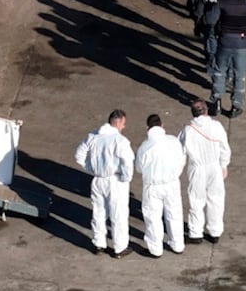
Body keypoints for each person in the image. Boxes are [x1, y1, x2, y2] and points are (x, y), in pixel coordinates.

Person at [74, 109, 134, 257]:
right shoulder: (119, 141)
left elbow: (78, 155)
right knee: (118, 214)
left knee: (98, 213)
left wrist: (90, 168)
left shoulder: (93, 136)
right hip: (115, 180)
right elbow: (127, 162)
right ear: (118, 122)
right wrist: (125, 178)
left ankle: (99, 244)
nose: (124, 127)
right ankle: (120, 248)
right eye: (124, 123)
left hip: (97, 180)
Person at [178, 99, 231, 244]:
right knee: (216, 199)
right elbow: (224, 148)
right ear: (206, 110)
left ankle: (195, 232)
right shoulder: (216, 126)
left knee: (196, 200)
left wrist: (177, 172)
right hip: (215, 167)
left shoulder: (187, 130)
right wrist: (224, 165)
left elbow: (180, 154)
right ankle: (215, 231)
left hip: (197, 168)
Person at [136, 114, 186, 256]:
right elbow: (182, 159)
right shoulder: (173, 141)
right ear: (162, 125)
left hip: (152, 186)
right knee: (174, 213)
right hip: (171, 183)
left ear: (147, 128)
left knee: (153, 217)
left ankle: (155, 248)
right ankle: (178, 244)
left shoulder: (144, 147)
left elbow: (139, 167)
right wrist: (176, 174)